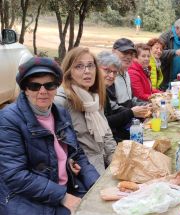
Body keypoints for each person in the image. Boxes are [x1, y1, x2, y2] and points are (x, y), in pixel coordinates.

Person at [0, 57, 109, 215]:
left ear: (56, 85)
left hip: (62, 188)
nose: (43, 91)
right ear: (24, 88)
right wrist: (64, 197)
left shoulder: (58, 112)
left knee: (108, 209)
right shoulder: (9, 119)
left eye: (49, 85)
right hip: (30, 203)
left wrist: (96, 186)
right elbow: (15, 176)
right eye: (35, 85)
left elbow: (77, 154)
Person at [54, 47, 117, 175]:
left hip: (101, 167)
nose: (87, 71)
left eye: (90, 66)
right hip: (80, 173)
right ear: (68, 71)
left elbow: (106, 136)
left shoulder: (94, 97)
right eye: (79, 66)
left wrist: (117, 162)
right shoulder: (61, 101)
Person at [97, 51, 150, 142]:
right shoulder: (95, 92)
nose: (111, 75)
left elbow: (116, 108)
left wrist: (141, 109)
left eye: (114, 72)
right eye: (107, 70)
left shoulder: (105, 88)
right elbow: (105, 123)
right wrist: (131, 113)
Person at [159, 16, 180, 89]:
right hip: (166, 80)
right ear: (177, 28)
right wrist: (174, 52)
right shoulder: (165, 37)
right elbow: (159, 54)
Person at [112, 37, 137, 105]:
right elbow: (111, 111)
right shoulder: (109, 77)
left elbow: (129, 102)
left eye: (131, 54)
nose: (129, 57)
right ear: (113, 52)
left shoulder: (126, 73)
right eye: (125, 53)